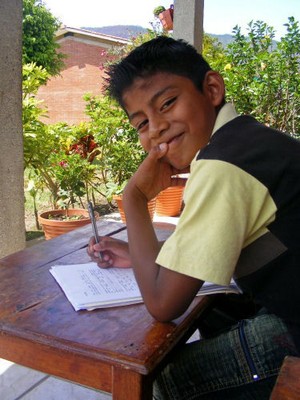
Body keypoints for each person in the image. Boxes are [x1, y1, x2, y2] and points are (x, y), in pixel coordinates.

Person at [87, 36, 300, 399]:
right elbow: (209, 246)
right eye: (141, 124)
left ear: (212, 89)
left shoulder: (222, 166)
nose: (156, 128)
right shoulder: (244, 140)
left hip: (293, 331)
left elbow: (162, 304)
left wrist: (134, 198)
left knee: (161, 379)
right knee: (218, 312)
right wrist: (148, 254)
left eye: (168, 103)